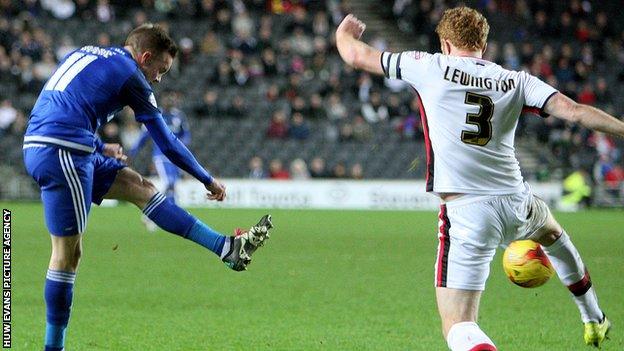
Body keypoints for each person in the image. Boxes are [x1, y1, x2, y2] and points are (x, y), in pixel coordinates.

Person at [335, 8, 624, 350]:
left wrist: (344, 34)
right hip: (517, 201)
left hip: (468, 210)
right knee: (553, 234)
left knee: (458, 324)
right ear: (483, 45)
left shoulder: (430, 66)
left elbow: (356, 55)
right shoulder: (516, 80)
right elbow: (575, 112)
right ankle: (593, 316)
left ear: (445, 43)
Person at [22, 24, 274, 351]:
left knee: (139, 186)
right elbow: (167, 143)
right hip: (62, 152)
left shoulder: (87, 52)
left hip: (62, 144)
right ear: (145, 57)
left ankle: (226, 248)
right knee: (66, 255)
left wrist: (98, 147)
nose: (158, 78)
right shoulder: (132, 75)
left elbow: (61, 104)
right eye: (160, 69)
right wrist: (207, 179)